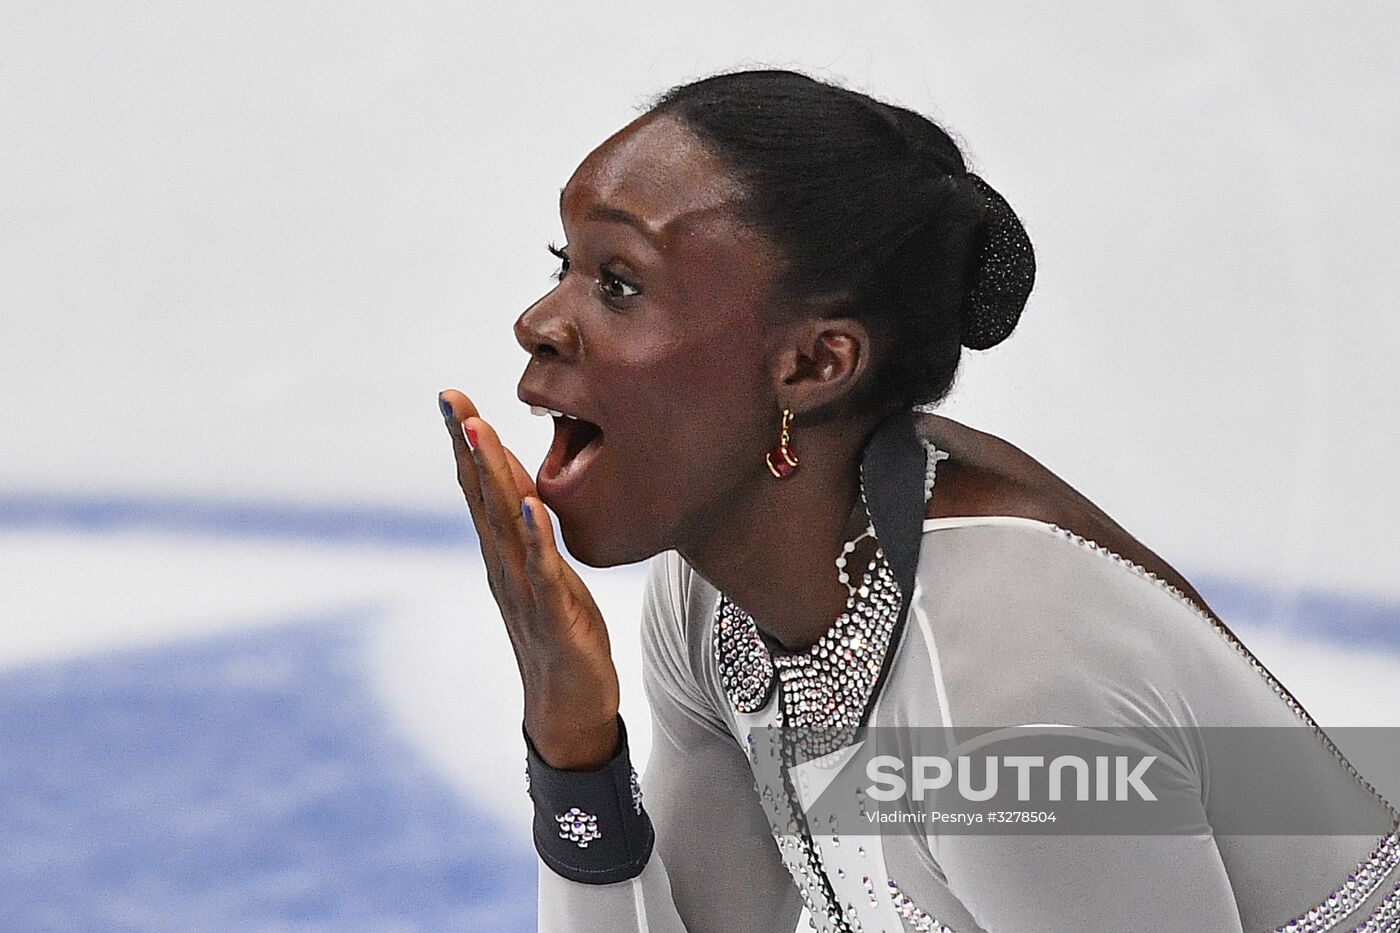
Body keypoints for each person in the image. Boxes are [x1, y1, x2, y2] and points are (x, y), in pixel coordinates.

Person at [437, 70, 1400, 932]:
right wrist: (575, 748)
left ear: (816, 362)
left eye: (618, 283)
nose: (538, 321)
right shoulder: (715, 602)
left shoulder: (1002, 696)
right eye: (560, 263)